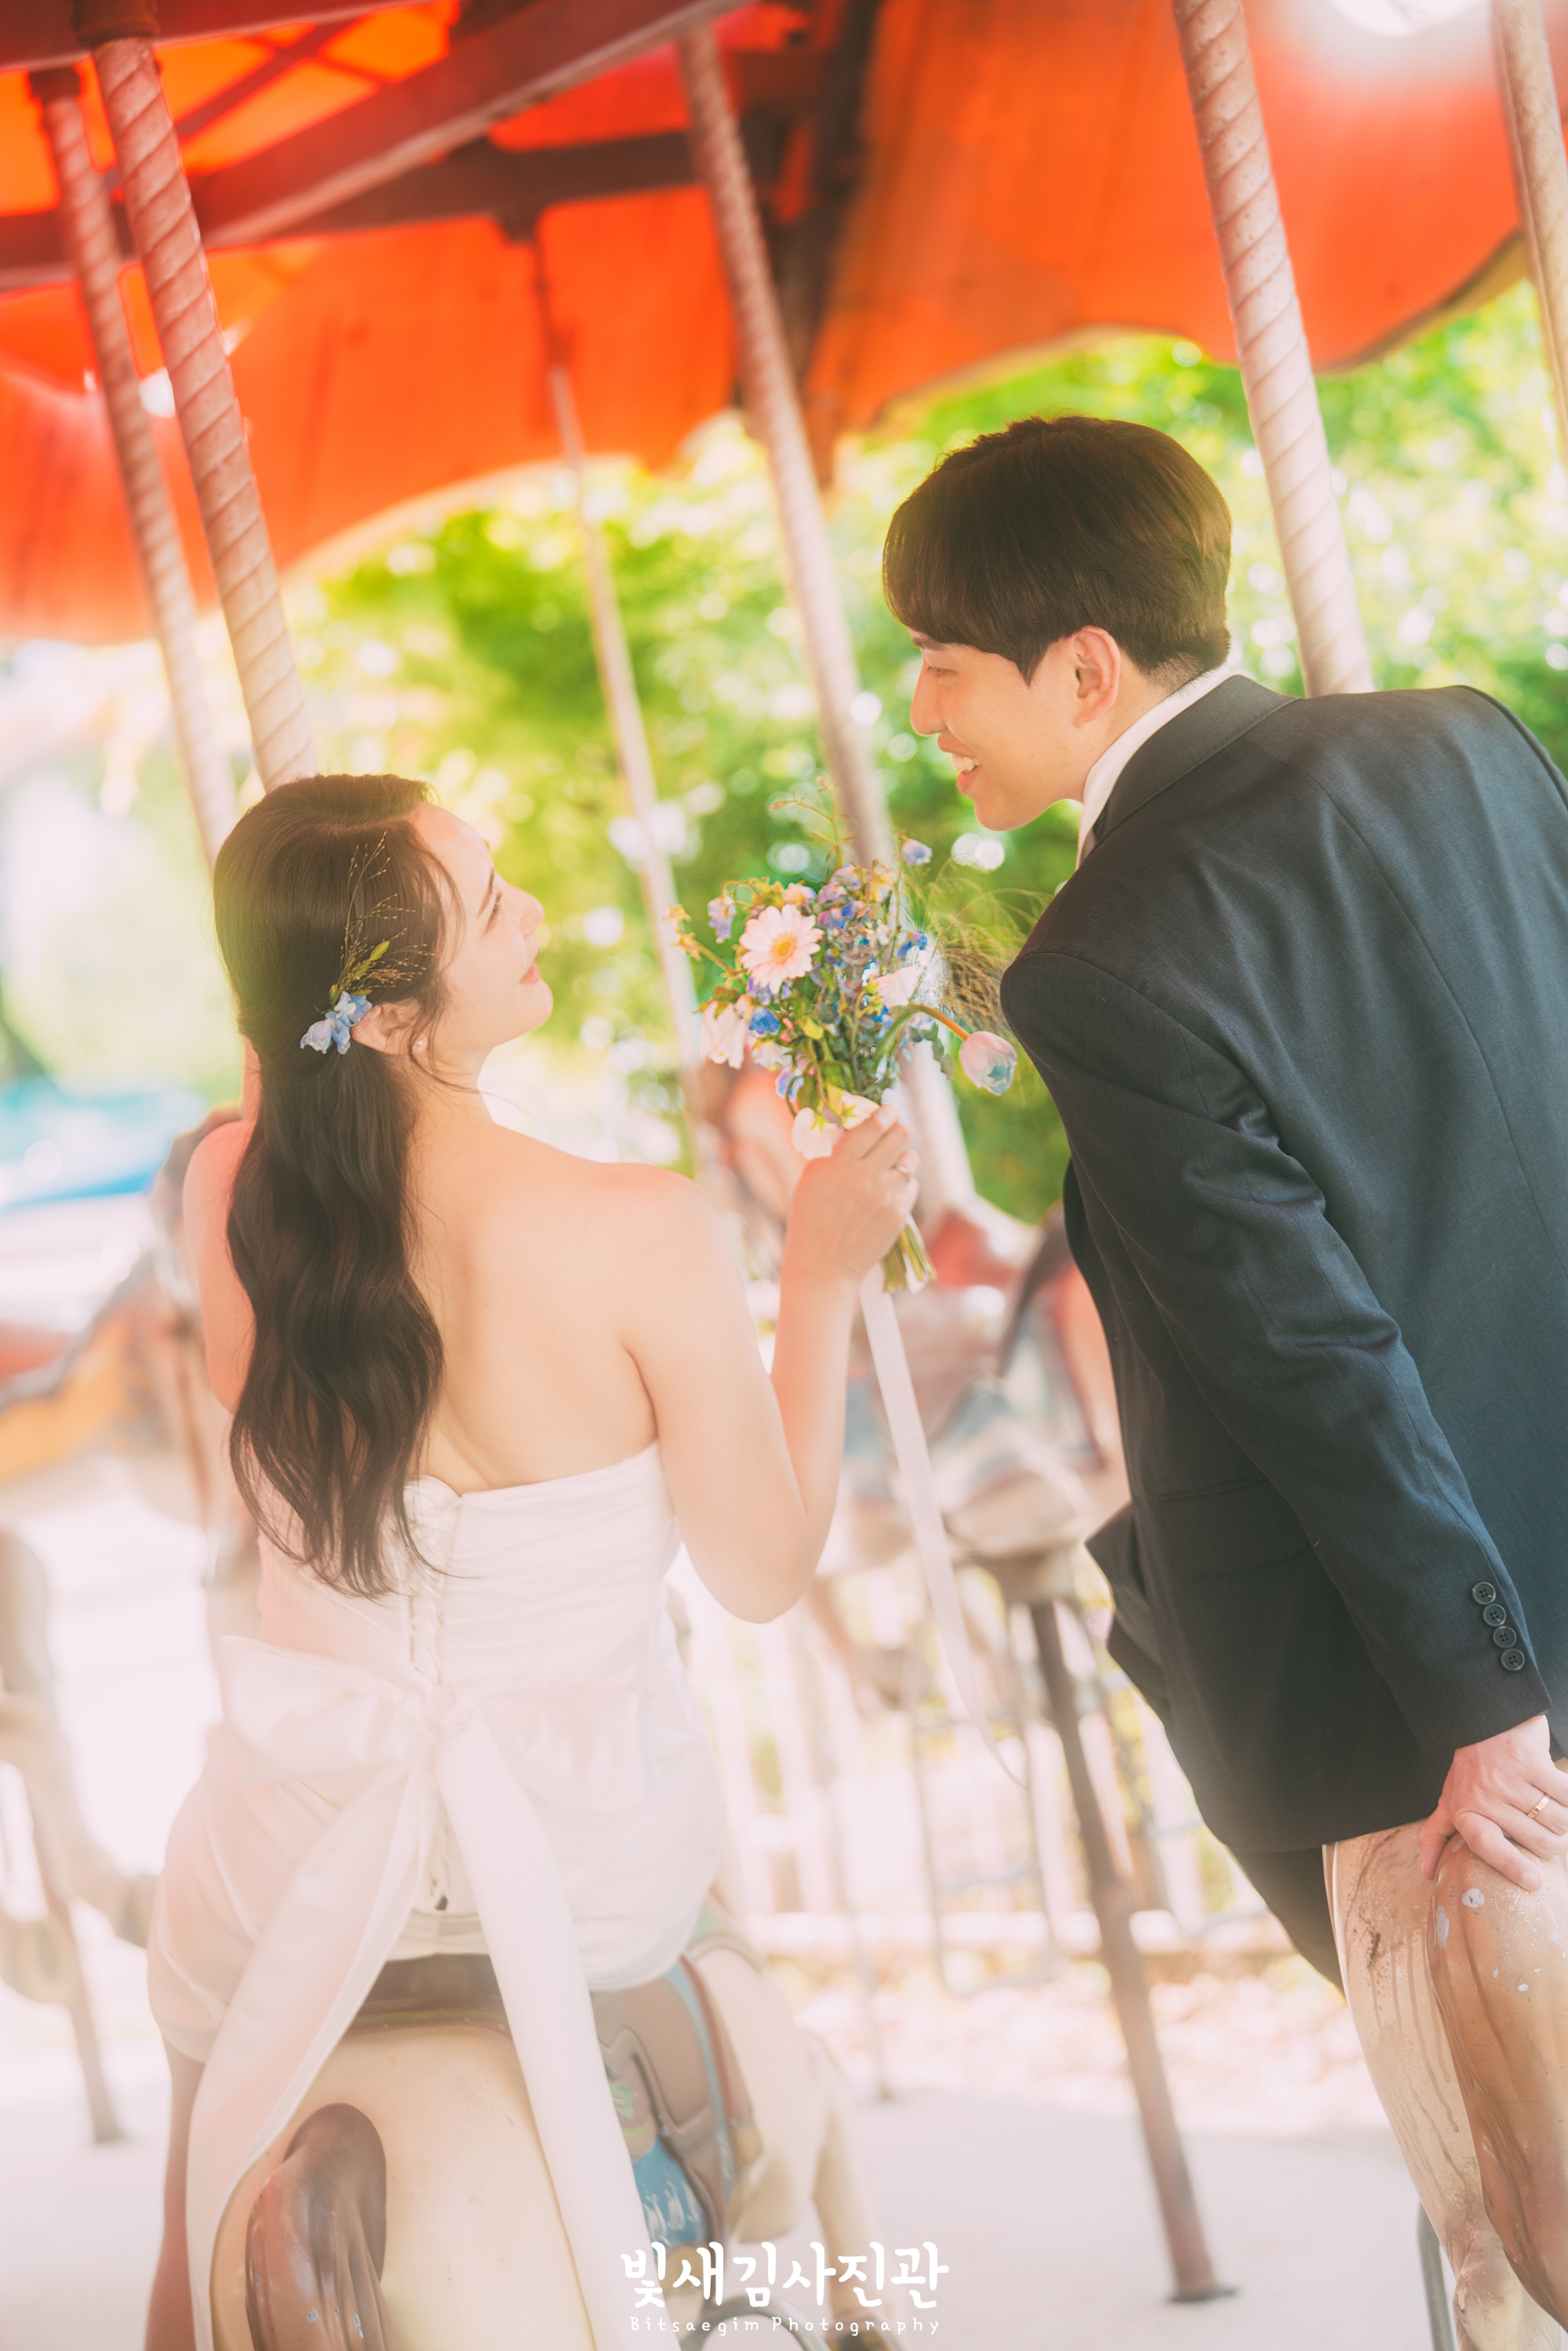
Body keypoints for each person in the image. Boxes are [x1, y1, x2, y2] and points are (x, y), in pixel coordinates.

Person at [884, 413, 1568, 2342]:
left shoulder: (1101, 956)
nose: (920, 708)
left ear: (1082, 668)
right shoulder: (1465, 745)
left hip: (1412, 1699)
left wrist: (1481, 1700)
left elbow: (1301, 1348)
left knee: (1505, 2231)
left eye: (942, 660)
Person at [144, 773, 917, 2351]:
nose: (535, 916)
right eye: (491, 906)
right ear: (383, 1009)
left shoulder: (232, 1196)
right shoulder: (639, 1226)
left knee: (199, 2113)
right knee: (714, 1937)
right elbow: (763, 1571)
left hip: (295, 1828)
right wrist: (822, 1278)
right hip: (580, 1844)